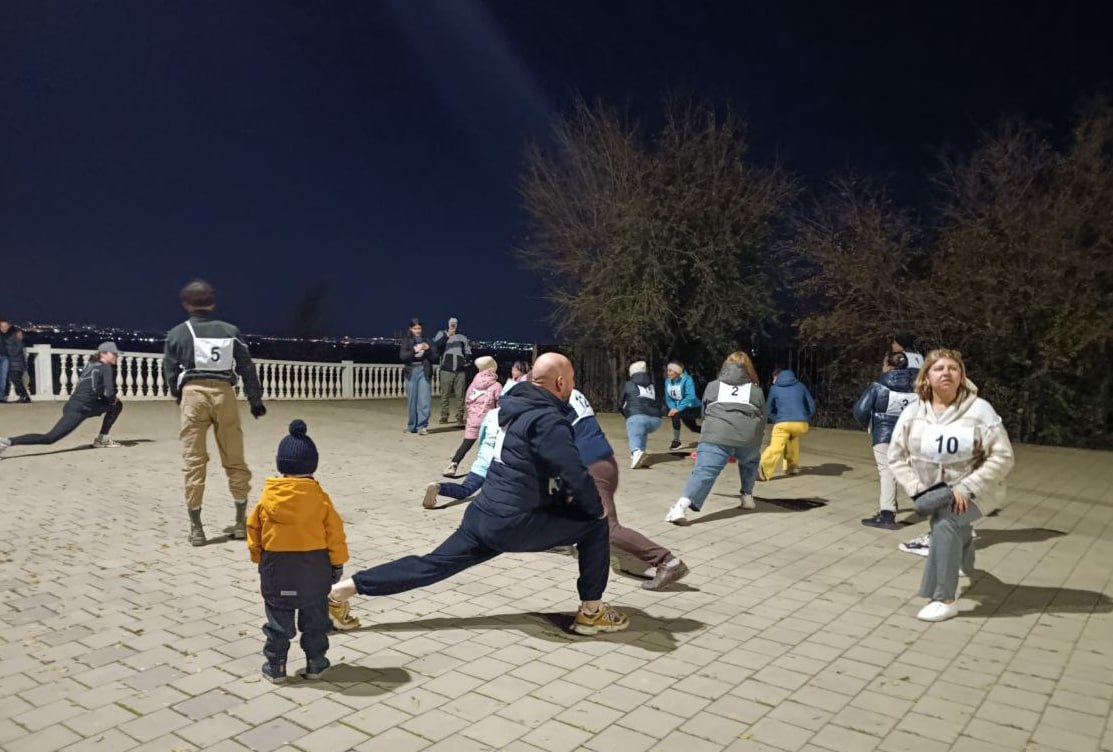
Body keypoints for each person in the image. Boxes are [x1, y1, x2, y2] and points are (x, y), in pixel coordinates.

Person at [328, 353, 629, 636]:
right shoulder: (548, 419)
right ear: (561, 382)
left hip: (483, 515)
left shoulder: (515, 407)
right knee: (594, 526)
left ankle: (341, 592)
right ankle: (591, 612)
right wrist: (595, 506)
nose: (574, 384)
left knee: (431, 564)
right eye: (572, 378)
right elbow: (573, 472)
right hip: (513, 523)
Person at [888, 349, 1014, 622]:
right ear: (926, 377)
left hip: (980, 490)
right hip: (936, 492)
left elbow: (1003, 456)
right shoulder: (912, 413)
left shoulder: (981, 410)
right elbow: (895, 456)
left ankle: (943, 598)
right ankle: (965, 563)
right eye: (938, 368)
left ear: (962, 376)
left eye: (953, 368)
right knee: (951, 518)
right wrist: (917, 490)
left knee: (945, 522)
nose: (946, 372)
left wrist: (967, 488)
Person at [247, 420, 355, 683]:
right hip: (314, 569)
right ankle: (316, 663)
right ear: (312, 466)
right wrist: (337, 563)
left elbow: (253, 530)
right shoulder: (320, 499)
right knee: (315, 621)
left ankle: (276, 666)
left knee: (278, 621)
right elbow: (335, 533)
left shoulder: (267, 499)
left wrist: (259, 558)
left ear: (281, 465)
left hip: (278, 568)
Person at [164, 279, 266, 547]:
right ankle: (241, 522)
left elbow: (170, 371)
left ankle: (197, 528)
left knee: (194, 461)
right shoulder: (230, 330)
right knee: (234, 457)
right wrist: (255, 401)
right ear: (212, 302)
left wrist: (179, 396)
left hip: (193, 394)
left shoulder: (177, 333)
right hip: (224, 394)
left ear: (186, 304)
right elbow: (246, 366)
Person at [572, 387, 688, 590]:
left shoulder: (553, 399)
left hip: (592, 468)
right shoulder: (570, 394)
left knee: (608, 527)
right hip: (598, 462)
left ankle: (668, 561)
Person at [665, 352, 765, 524]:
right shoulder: (755, 390)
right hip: (747, 437)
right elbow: (762, 416)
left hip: (716, 434)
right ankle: (747, 496)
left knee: (704, 471)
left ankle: (680, 508)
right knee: (750, 461)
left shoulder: (713, 386)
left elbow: (705, 411)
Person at [1, 342, 124, 456]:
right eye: (114, 354)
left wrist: (107, 400)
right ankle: (6, 441)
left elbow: (94, 388)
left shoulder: (91, 365)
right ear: (103, 353)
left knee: (116, 405)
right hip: (83, 407)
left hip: (74, 405)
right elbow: (109, 392)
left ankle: (7, 441)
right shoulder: (105, 368)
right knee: (49, 438)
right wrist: (112, 400)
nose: (116, 356)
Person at [855, 352, 920, 529]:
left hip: (884, 434)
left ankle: (887, 514)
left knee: (887, 472)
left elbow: (860, 410)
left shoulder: (879, 386)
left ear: (889, 367)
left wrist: (870, 425)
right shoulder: (919, 388)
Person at [423, 408, 500, 508]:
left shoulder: (492, 414)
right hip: (502, 464)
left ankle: (439, 487)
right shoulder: (522, 417)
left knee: (465, 489)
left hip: (483, 462)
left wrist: (483, 453)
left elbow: (482, 435)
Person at [443, 356, 500, 476]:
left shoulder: (473, 384)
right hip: (488, 420)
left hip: (473, 418)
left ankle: (453, 465)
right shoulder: (496, 386)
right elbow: (499, 404)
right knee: (488, 446)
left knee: (466, 444)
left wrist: (471, 413)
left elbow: (467, 400)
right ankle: (488, 469)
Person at [758, 367, 816, 480]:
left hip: (783, 424)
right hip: (801, 425)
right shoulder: (801, 386)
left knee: (776, 446)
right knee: (792, 437)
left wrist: (777, 419)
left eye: (773, 378)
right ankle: (792, 465)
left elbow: (768, 409)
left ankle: (762, 468)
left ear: (777, 377)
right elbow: (812, 406)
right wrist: (805, 418)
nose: (773, 380)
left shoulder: (775, 388)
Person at [621, 360, 663, 469]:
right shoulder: (652, 386)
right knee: (641, 431)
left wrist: (627, 414)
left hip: (638, 416)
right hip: (656, 420)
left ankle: (636, 452)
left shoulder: (628, 384)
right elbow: (660, 402)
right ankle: (641, 454)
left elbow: (620, 403)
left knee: (635, 431)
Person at [399, 318, 436, 435]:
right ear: (410, 329)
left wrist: (428, 349)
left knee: (424, 400)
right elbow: (403, 357)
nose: (417, 331)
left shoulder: (428, 340)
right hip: (411, 371)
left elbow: (435, 357)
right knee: (412, 400)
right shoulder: (406, 340)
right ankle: (411, 426)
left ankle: (422, 427)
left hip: (424, 370)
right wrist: (415, 350)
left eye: (419, 328)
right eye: (415, 328)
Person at [433, 317, 471, 425]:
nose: (453, 325)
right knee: (445, 394)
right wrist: (447, 336)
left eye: (455, 323)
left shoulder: (462, 337)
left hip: (460, 371)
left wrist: (465, 360)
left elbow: (468, 351)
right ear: (448, 324)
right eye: (451, 323)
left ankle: (459, 417)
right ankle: (444, 416)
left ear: (457, 324)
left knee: (460, 395)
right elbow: (435, 346)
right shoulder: (441, 333)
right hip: (446, 369)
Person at [664, 362, 701, 450]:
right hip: (680, 408)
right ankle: (711, 435)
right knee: (693, 428)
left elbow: (690, 396)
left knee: (677, 416)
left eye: (670, 370)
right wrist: (672, 407)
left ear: (677, 372)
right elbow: (668, 397)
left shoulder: (687, 379)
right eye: (667, 370)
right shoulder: (667, 381)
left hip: (694, 408)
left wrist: (678, 408)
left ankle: (676, 441)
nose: (668, 373)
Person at [3, 326, 32, 403]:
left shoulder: (14, 341)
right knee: (15, 381)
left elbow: (15, 351)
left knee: (16, 381)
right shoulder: (12, 340)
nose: (21, 335)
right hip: (15, 364)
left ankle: (24, 396)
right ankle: (23, 396)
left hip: (17, 365)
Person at [0, 317, 12, 402]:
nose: (5, 328)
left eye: (6, 326)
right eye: (3, 326)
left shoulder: (10, 335)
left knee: (3, 378)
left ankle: (1, 397)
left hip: (5, 357)